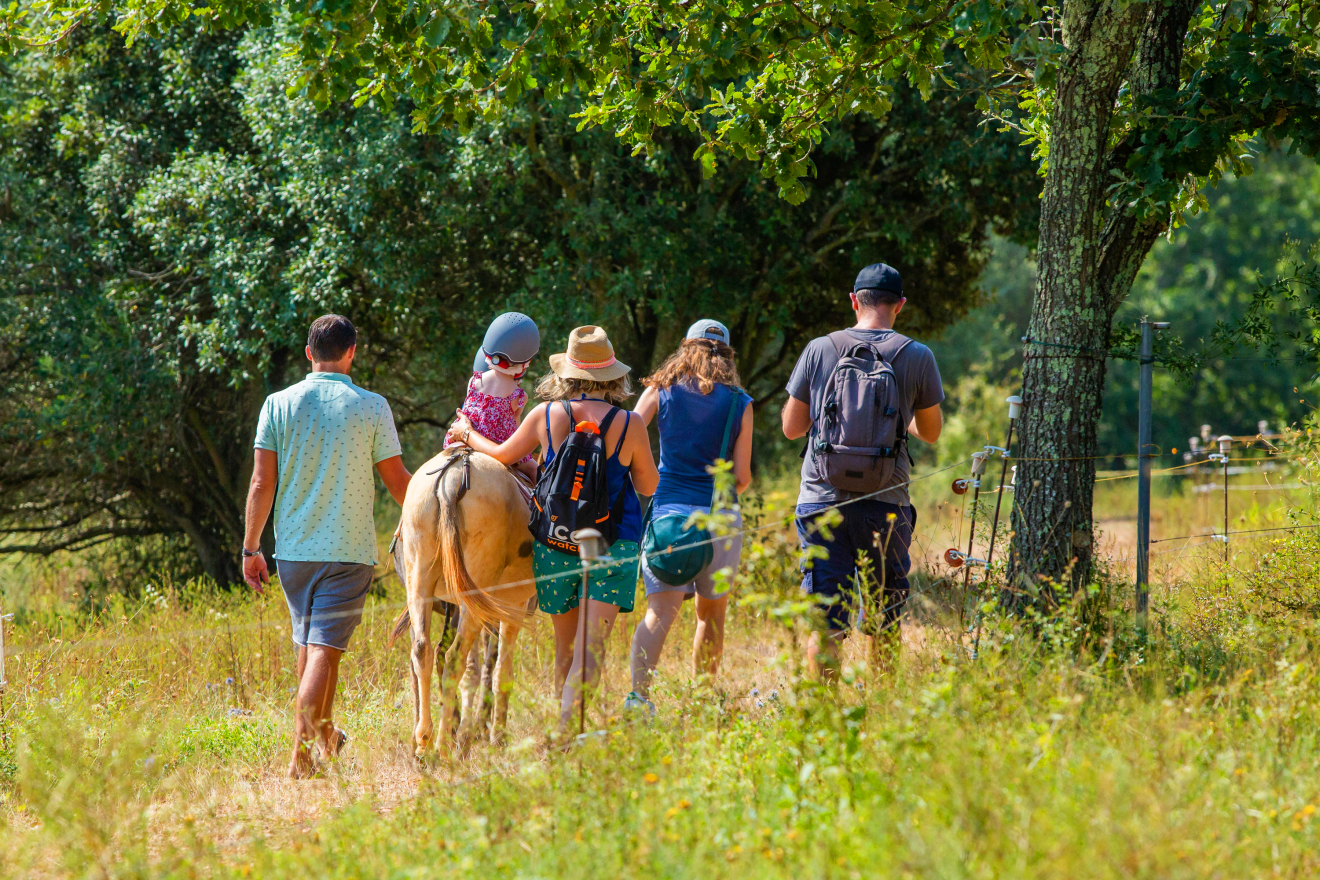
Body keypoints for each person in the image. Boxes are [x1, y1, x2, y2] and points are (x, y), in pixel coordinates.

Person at [448, 325, 658, 735]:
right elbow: (648, 486)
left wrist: (466, 434)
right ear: (613, 376)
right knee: (590, 649)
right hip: (612, 547)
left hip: (554, 545)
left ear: (567, 373)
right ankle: (568, 733)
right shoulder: (630, 423)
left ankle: (567, 734)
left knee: (565, 648)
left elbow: (504, 454)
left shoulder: (545, 414)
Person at [242, 315, 412, 778]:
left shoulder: (277, 404)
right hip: (348, 552)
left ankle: (321, 745)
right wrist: (434, 514)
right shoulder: (372, 406)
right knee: (322, 651)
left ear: (308, 353)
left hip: (292, 552)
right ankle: (299, 757)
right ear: (352, 352)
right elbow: (398, 483)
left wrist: (250, 548)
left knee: (314, 649)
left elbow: (261, 483)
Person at [780, 263, 944, 679]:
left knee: (825, 618)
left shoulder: (820, 349)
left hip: (821, 500)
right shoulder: (917, 355)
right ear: (899, 306)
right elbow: (931, 432)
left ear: (854, 301)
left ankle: (822, 717)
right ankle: (882, 709)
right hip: (886, 503)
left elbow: (791, 428)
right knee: (884, 615)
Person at [626, 319, 754, 713]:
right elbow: (742, 478)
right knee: (711, 615)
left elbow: (630, 430)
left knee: (659, 613)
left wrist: (648, 472)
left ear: (686, 349)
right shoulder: (740, 402)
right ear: (727, 356)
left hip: (668, 514)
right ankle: (701, 701)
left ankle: (639, 700)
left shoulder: (660, 389)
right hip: (718, 520)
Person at [448, 313, 541, 483]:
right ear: (526, 360)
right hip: (496, 446)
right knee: (535, 470)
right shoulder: (518, 396)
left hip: (462, 440)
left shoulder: (473, 381)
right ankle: (547, 509)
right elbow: (515, 430)